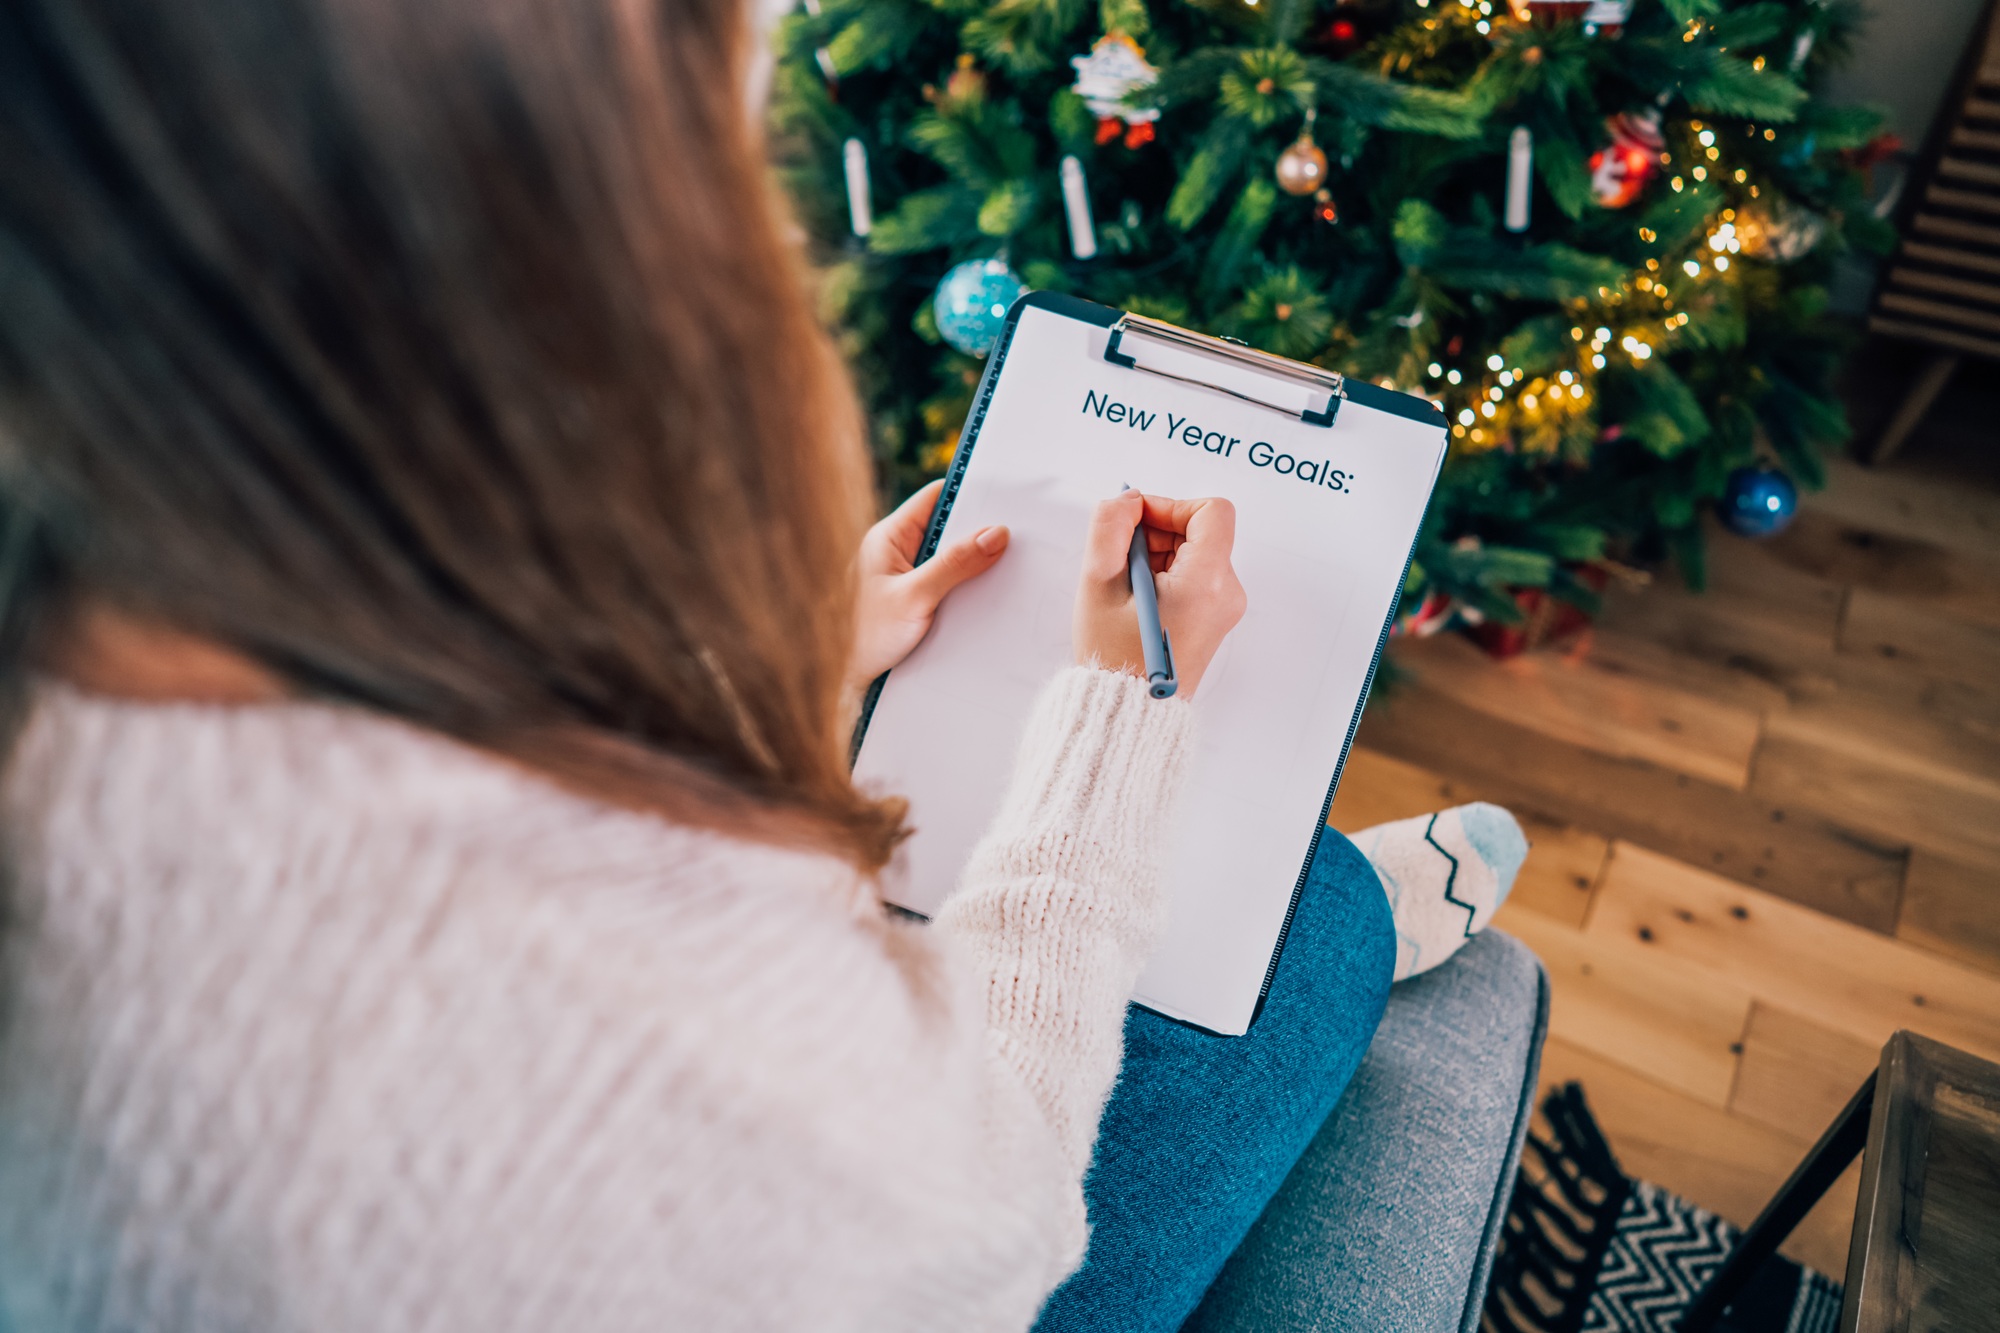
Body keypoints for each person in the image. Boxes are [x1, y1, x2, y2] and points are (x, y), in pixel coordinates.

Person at [0, 3, 1523, 1330]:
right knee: (1308, 931)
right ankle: (1348, 927)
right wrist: (1126, 713)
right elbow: (994, 1217)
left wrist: (771, 670)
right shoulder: (602, 997)